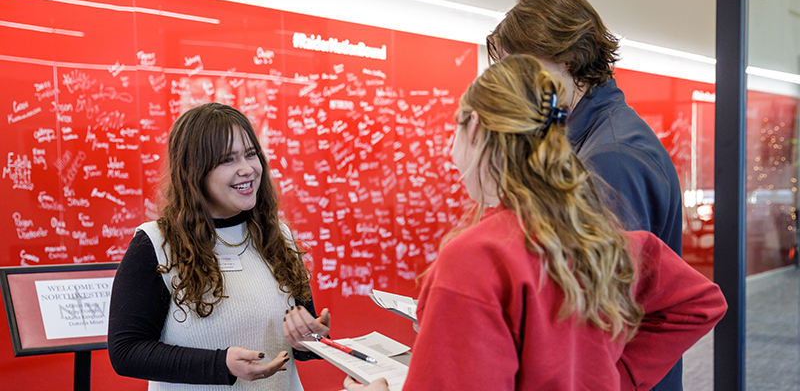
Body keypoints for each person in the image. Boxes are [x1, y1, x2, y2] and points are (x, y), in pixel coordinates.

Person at [342, 55, 726, 391]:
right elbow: (700, 303)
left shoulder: (474, 258)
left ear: (474, 127)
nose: (450, 149)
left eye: (455, 129)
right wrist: (615, 376)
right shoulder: (602, 239)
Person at [486, 0, 686, 389]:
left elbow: (600, 308)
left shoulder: (611, 157)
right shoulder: (592, 138)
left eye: (520, 68)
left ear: (568, 61)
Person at [108, 102, 330, 390]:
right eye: (228, 160)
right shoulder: (155, 243)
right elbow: (126, 352)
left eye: (251, 155)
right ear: (195, 172)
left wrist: (312, 339)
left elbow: (303, 344)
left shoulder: (278, 237)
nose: (247, 169)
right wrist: (219, 363)